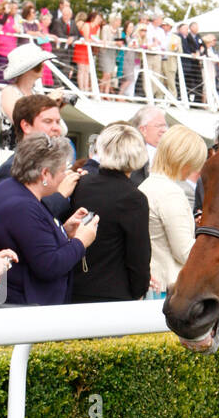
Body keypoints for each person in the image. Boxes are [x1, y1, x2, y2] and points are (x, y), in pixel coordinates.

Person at [0, 134, 98, 305]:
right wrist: (80, 242)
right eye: (63, 170)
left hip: (14, 299)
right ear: (45, 174)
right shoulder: (22, 205)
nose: (65, 176)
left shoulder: (13, 190)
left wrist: (64, 231)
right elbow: (49, 266)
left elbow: (31, 241)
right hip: (19, 306)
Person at [68, 123, 151, 304]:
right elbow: (138, 255)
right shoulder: (134, 198)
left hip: (74, 287)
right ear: (138, 155)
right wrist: (140, 289)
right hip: (113, 294)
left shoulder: (80, 185)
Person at [138, 124, 207, 294]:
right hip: (168, 287)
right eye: (194, 162)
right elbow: (184, 251)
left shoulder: (147, 185)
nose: (196, 169)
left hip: (154, 283)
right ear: (183, 160)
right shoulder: (171, 193)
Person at [127, 106, 168, 186]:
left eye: (165, 126)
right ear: (143, 130)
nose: (164, 130)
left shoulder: (172, 152)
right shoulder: (130, 154)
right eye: (159, 126)